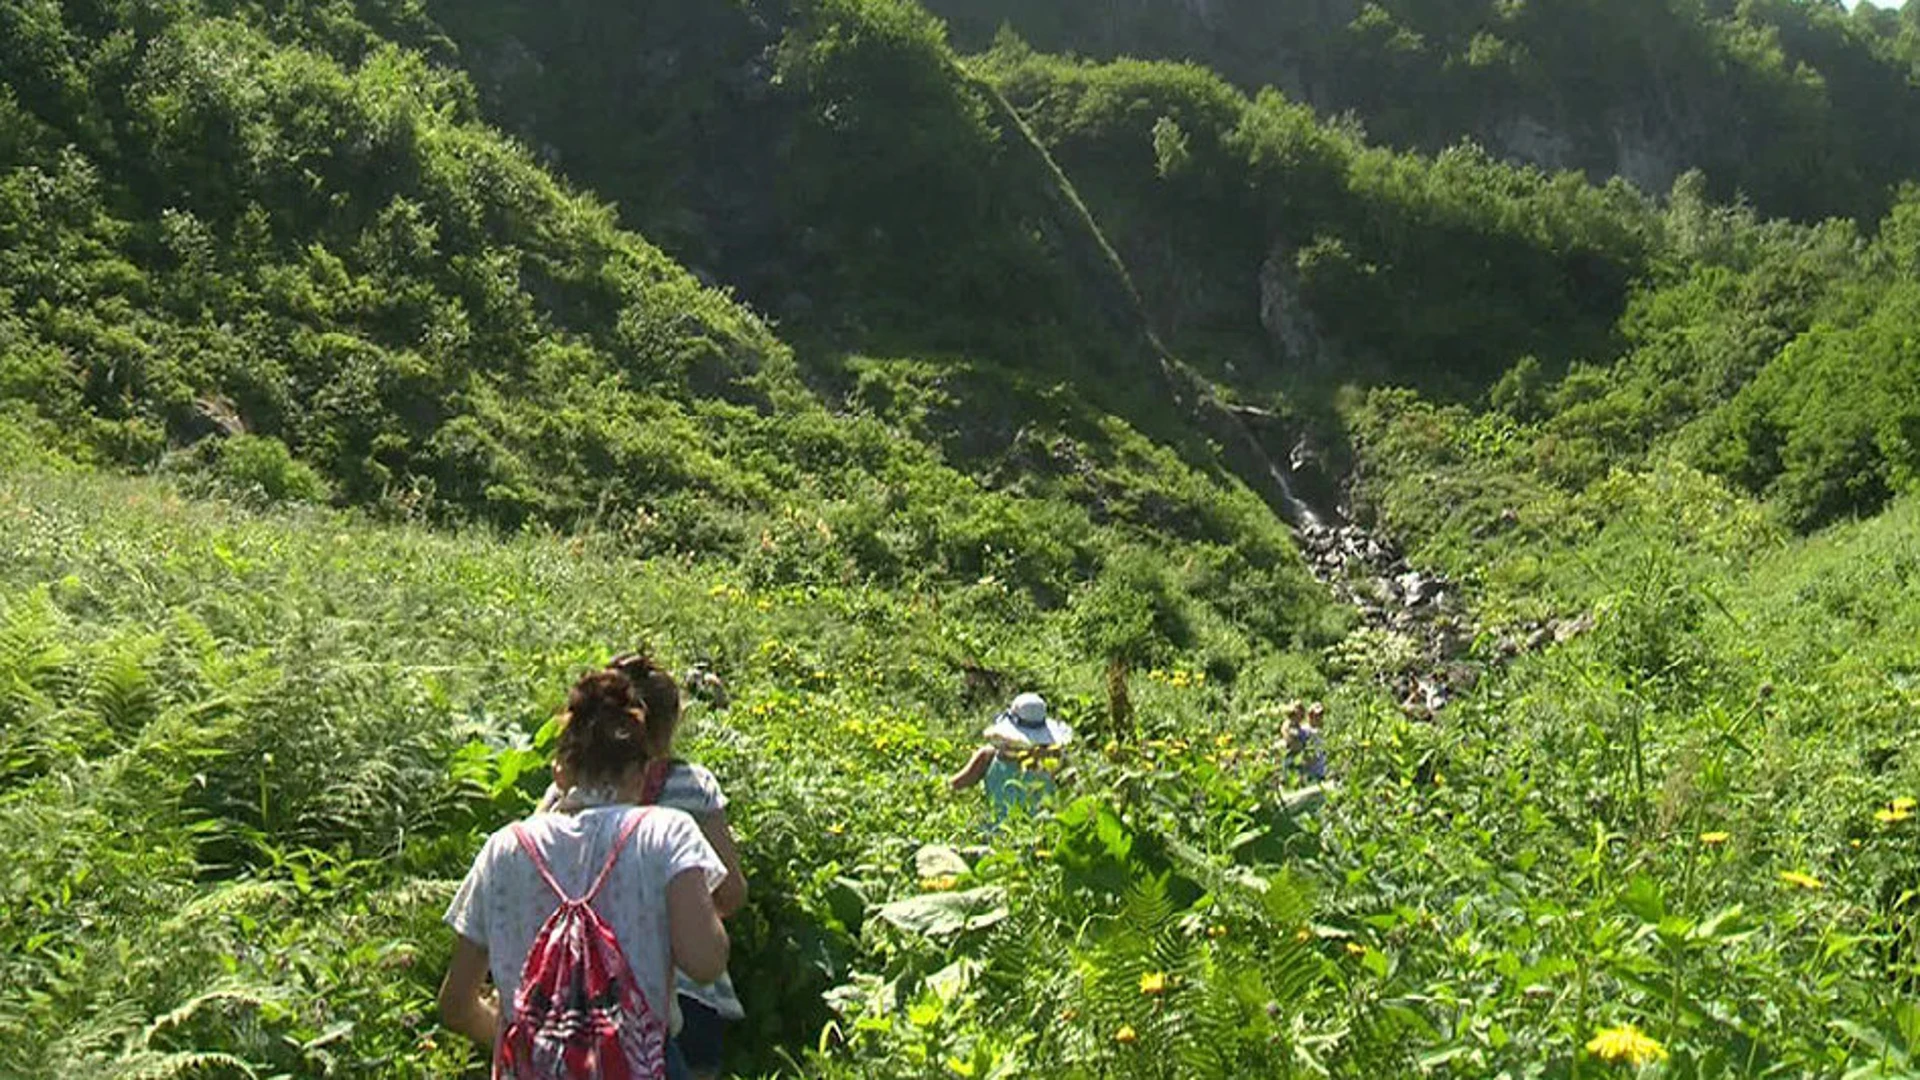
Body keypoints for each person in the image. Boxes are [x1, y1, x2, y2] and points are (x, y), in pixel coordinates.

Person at [440, 666, 730, 1079]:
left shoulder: (504, 848)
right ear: (641, 772)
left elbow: (455, 1004)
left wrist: (536, 1047)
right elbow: (705, 962)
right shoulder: (666, 833)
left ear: (561, 770)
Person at [536, 654, 748, 1080]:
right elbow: (731, 893)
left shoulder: (567, 794)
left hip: (573, 1005)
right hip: (689, 998)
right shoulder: (693, 785)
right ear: (673, 722)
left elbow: (536, 864)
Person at [949, 692, 1073, 826]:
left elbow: (953, 786)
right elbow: (1074, 797)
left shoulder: (988, 755)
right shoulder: (1055, 760)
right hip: (1040, 836)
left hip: (998, 838)